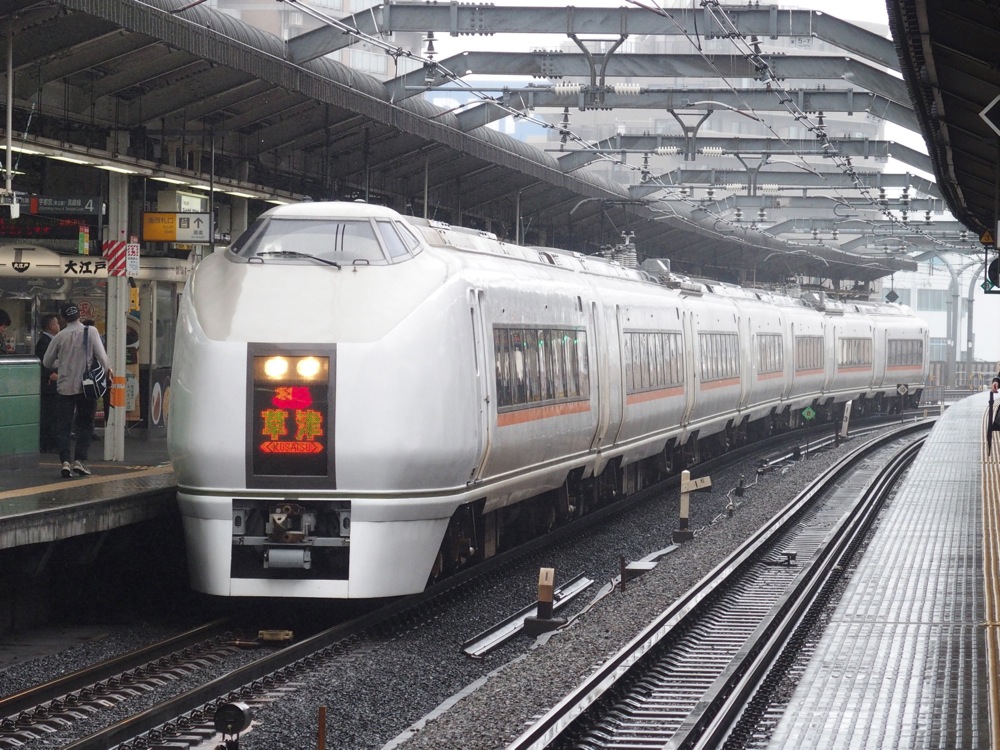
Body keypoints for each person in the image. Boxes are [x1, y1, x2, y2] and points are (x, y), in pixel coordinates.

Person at [42, 302, 112, 478]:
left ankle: (65, 461)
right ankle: (80, 461)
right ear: (79, 315)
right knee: (85, 424)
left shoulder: (59, 336)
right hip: (87, 387)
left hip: (65, 387)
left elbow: (47, 362)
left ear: (63, 318)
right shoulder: (91, 331)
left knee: (63, 426)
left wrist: (61, 363)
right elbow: (102, 358)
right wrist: (107, 373)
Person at [34, 314, 61, 452]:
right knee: (49, 414)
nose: (59, 326)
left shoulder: (51, 341)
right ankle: (48, 444)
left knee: (53, 413)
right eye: (57, 323)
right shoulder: (45, 342)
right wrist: (49, 374)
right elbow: (42, 362)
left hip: (52, 382)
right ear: (51, 326)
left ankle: (51, 442)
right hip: (48, 384)